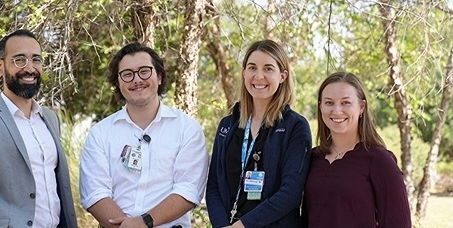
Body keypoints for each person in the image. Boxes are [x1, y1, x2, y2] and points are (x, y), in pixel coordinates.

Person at [0, 29, 78, 228]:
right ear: (0, 66)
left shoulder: (51, 118)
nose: (30, 68)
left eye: (36, 59)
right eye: (19, 60)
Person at [79, 42, 209, 228]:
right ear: (118, 82)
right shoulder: (100, 133)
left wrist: (144, 222)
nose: (137, 79)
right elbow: (94, 192)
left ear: (160, 76)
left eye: (144, 71)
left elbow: (188, 189)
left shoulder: (186, 129)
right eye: (127, 74)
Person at [205, 39, 312, 228]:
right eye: (252, 67)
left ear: (282, 76)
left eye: (268, 68)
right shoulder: (227, 125)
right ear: (244, 72)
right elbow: (213, 184)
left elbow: (291, 193)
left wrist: (242, 226)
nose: (259, 76)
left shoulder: (295, 126)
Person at [301, 71, 412, 227]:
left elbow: (398, 223)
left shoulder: (379, 160)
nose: (337, 110)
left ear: (361, 107)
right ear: (320, 107)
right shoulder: (314, 158)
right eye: (329, 103)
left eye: (346, 102)